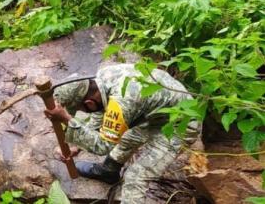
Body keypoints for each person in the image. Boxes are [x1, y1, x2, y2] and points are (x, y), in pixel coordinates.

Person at [45, 64, 199, 202]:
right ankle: (109, 171)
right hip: (160, 114)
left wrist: (67, 119)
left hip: (182, 125)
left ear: (89, 103)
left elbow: (102, 146)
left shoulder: (121, 102)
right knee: (124, 136)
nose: (83, 112)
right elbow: (102, 115)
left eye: (81, 110)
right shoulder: (102, 79)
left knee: (136, 177)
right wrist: (77, 146)